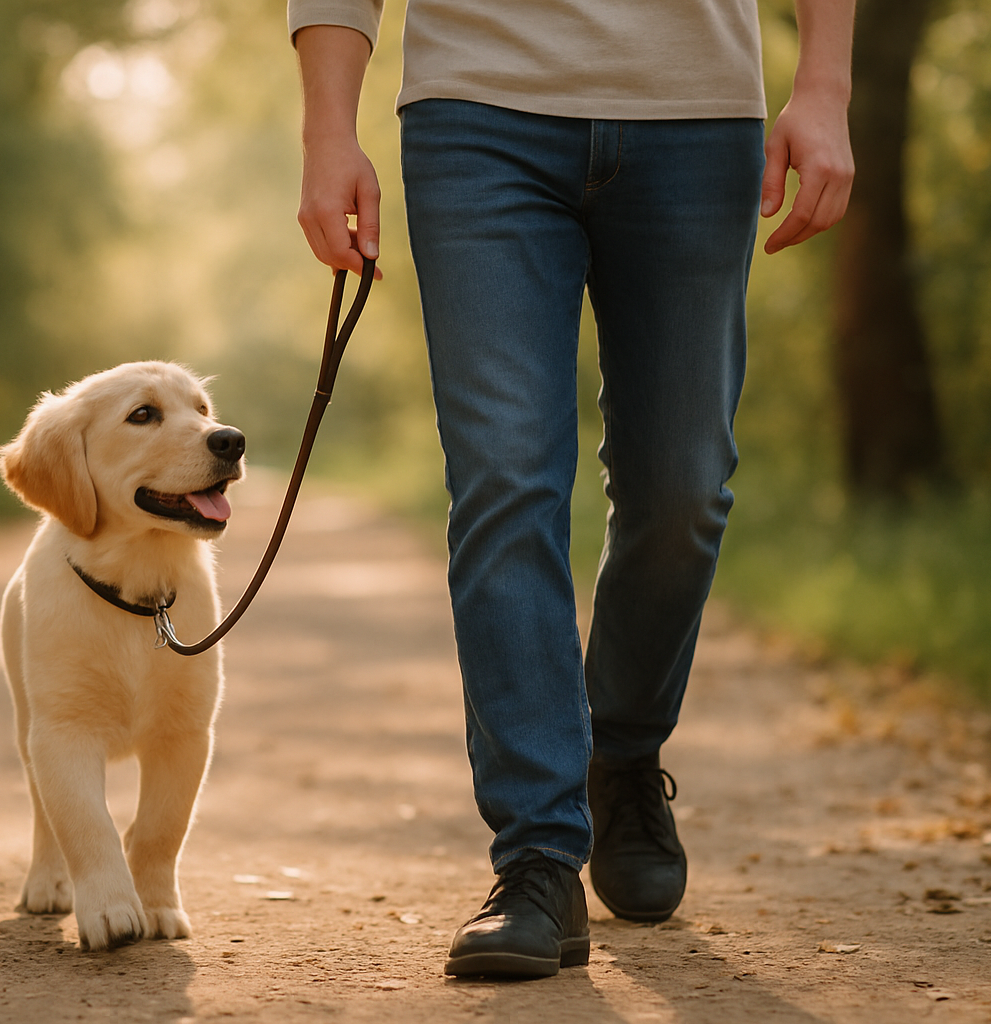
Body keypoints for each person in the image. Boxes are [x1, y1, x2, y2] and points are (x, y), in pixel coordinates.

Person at [288, 0, 855, 979]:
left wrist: (825, 85)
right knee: (505, 477)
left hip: (696, 116)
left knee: (686, 484)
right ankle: (539, 859)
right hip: (477, 112)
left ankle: (623, 749)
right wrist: (327, 127)